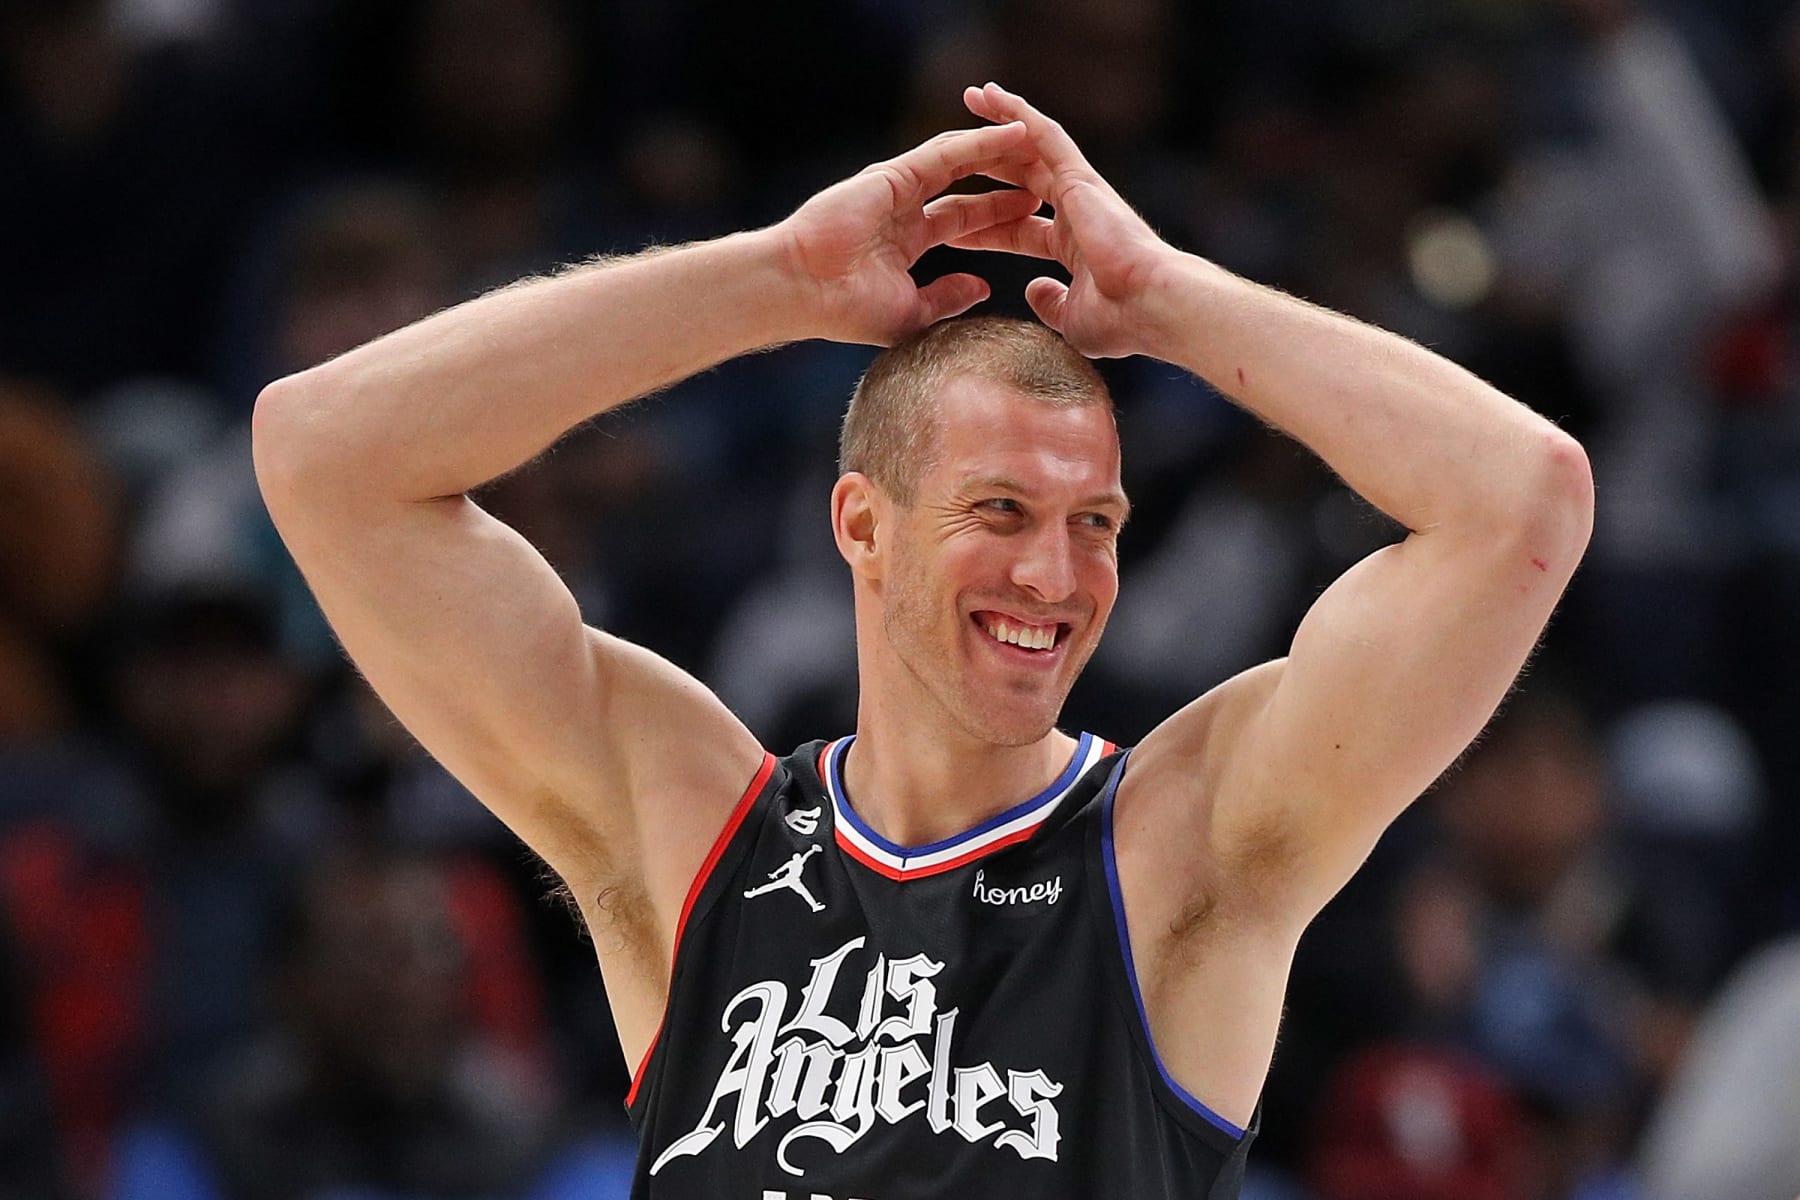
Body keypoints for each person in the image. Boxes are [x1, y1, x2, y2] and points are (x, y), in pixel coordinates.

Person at [252, 83, 1594, 1199]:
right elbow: (325, 454)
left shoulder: (1179, 851)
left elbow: (1522, 501)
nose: (1054, 575)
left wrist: (1166, 298)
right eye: (1000, 511)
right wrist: (773, 280)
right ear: (862, 525)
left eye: (1094, 523)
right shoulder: (693, 835)